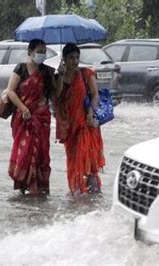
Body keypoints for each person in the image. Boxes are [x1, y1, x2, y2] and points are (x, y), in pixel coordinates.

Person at [1, 39, 55, 195]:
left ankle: (39, 187)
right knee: (25, 152)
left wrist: (60, 76)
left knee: (42, 153)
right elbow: (10, 91)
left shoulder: (47, 72)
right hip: (24, 118)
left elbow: (52, 95)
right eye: (39, 51)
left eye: (44, 52)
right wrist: (24, 109)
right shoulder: (20, 69)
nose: (42, 54)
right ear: (30, 52)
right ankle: (24, 185)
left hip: (41, 118)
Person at [54, 43, 105, 196]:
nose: (75, 61)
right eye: (71, 58)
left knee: (88, 158)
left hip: (86, 124)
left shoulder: (86, 74)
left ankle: (93, 192)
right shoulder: (58, 77)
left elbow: (95, 95)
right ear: (64, 59)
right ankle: (76, 191)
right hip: (69, 126)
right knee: (73, 159)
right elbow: (56, 96)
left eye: (77, 57)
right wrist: (61, 77)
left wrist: (90, 113)